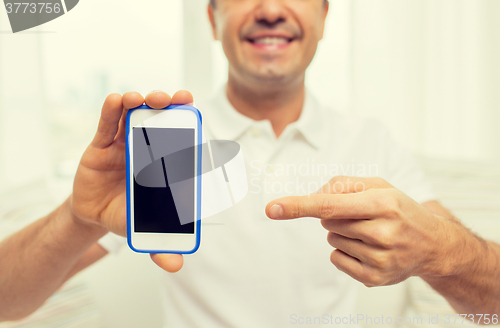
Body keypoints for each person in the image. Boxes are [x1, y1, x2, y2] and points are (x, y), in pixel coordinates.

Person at [1, 0, 499, 326]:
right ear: (212, 20)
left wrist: (441, 250)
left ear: (325, 16)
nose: (268, 9)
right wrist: (76, 217)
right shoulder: (170, 147)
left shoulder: (370, 140)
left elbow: (491, 305)